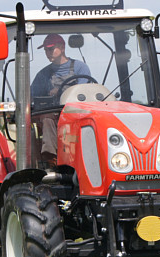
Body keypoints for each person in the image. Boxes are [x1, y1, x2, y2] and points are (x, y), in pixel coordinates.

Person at [30, 34, 91, 169]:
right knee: (46, 118)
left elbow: (85, 92)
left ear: (62, 48)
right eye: (46, 50)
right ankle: (51, 158)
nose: (48, 53)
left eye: (51, 49)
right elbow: (31, 95)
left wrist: (60, 92)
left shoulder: (80, 68)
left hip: (76, 113)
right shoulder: (43, 74)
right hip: (54, 114)